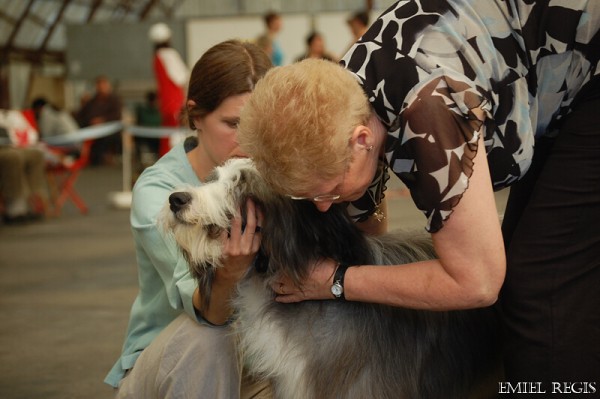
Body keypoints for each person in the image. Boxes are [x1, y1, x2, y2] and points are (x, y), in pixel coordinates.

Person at [238, 0, 600, 391]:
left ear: (361, 140)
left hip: (591, 74)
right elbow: (369, 225)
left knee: (540, 291)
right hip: (557, 71)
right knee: (523, 269)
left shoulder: (428, 110)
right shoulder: (339, 95)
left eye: (327, 192)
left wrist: (336, 281)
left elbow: (477, 283)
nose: (324, 207)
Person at [104, 40, 273, 399]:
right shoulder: (159, 192)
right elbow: (209, 311)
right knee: (209, 339)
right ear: (195, 115)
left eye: (258, 125)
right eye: (232, 124)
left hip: (252, 363)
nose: (248, 140)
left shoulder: (271, 175)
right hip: (173, 367)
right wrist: (230, 269)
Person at [148, 22, 189, 156]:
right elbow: (182, 77)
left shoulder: (156, 57)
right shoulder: (169, 54)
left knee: (166, 137)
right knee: (176, 138)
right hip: (175, 103)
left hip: (165, 104)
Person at [76, 75, 123, 165]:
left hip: (109, 129)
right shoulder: (92, 101)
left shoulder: (115, 100)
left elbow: (116, 115)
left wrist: (102, 120)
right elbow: (82, 115)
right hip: (92, 128)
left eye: (103, 85)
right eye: (99, 85)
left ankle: (102, 158)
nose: (101, 88)